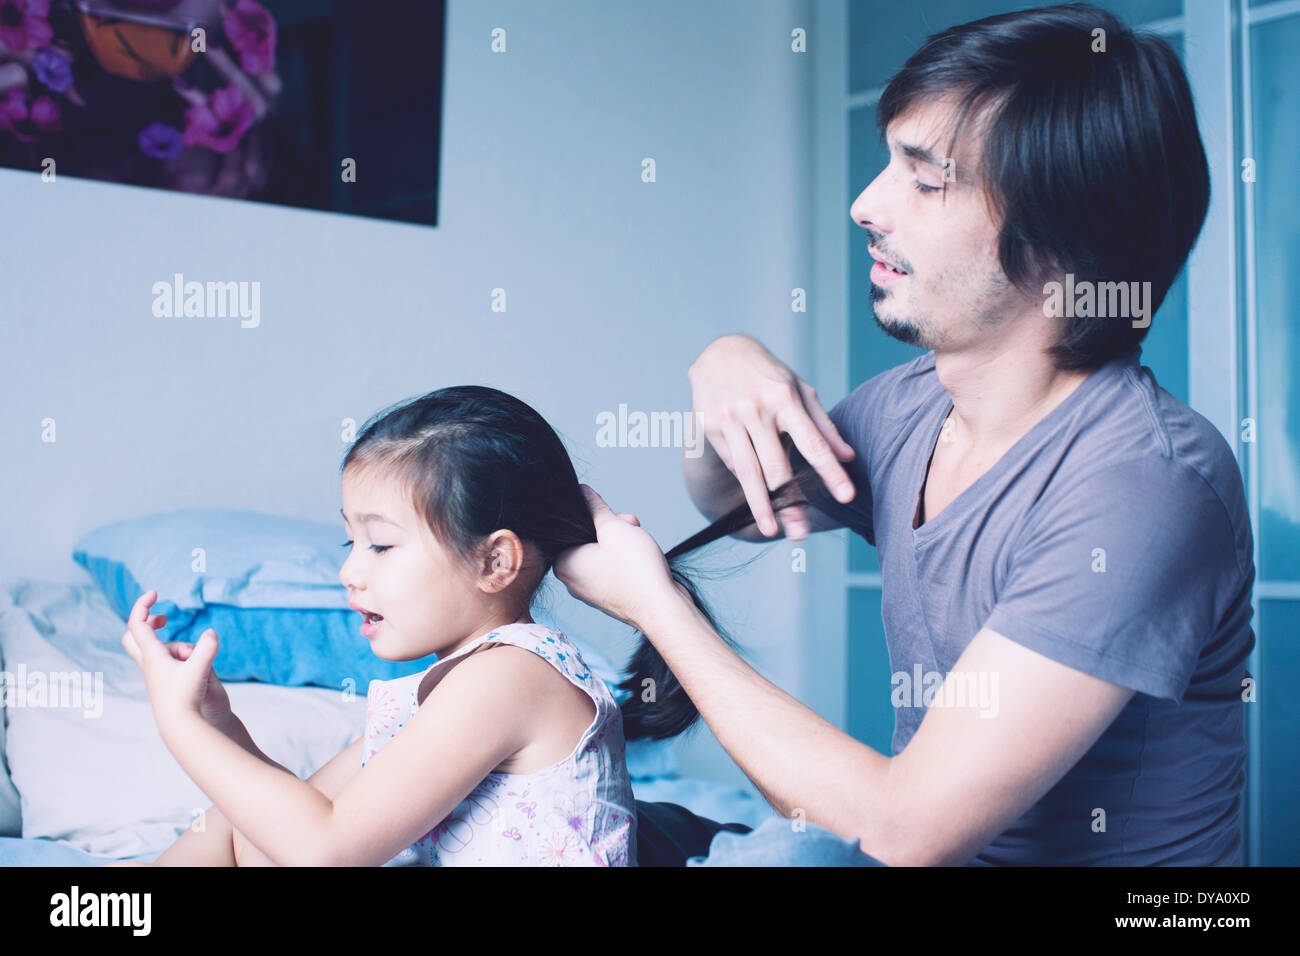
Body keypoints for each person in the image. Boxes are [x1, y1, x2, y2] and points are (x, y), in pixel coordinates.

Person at [554, 3, 1254, 866]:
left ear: (1063, 237)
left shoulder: (1146, 482)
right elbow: (740, 499)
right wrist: (724, 368)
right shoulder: (910, 405)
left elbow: (907, 829)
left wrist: (650, 604)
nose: (865, 205)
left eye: (926, 181)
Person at [116, 385, 660, 866]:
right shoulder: (445, 695)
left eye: (380, 545)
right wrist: (218, 723)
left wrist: (177, 721)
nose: (349, 571)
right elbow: (296, 819)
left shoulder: (513, 675)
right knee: (238, 819)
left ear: (493, 562)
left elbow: (322, 849)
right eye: (350, 543)